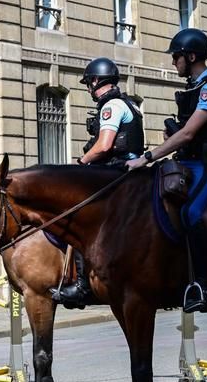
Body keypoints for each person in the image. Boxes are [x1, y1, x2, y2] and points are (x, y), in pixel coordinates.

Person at [125, 28, 207, 313]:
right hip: (187, 163)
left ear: (191, 56)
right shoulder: (194, 88)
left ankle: (202, 285)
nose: (174, 62)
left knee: (191, 212)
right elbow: (186, 135)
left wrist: (147, 157)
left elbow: (189, 134)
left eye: (176, 57)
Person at [53, 57, 146, 309]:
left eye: (88, 83)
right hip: (127, 171)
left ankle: (83, 285)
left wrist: (81, 163)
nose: (88, 88)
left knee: (79, 215)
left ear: (96, 81)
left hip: (116, 171)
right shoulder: (129, 104)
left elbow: (104, 145)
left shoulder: (111, 106)